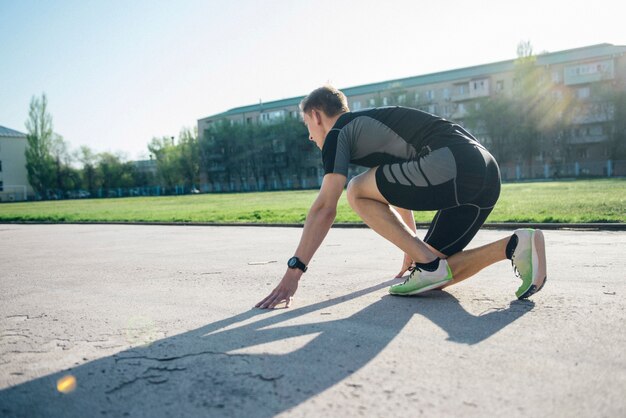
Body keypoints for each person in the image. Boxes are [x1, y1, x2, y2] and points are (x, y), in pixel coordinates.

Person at [256, 85, 546, 309]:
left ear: (316, 116)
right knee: (434, 278)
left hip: (451, 161)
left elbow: (324, 208)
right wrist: (412, 255)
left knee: (356, 190)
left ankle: (427, 263)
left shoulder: (338, 133)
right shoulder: (368, 130)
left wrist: (293, 273)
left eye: (307, 125)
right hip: (484, 170)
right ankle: (515, 245)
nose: (309, 136)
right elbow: (396, 189)